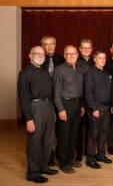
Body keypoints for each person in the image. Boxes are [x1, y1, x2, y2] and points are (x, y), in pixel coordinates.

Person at [18, 46, 58, 184]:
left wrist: (53, 111)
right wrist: (28, 119)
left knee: (47, 140)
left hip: (48, 107)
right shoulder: (25, 73)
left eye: (43, 54)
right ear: (30, 55)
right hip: (34, 108)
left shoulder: (45, 72)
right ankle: (33, 173)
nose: (41, 56)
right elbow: (23, 97)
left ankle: (44, 166)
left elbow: (51, 94)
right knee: (35, 142)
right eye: (37, 53)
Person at [53, 45, 85, 174]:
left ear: (77, 55)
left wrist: (82, 105)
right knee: (64, 135)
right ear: (65, 56)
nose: (71, 56)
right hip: (65, 104)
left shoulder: (79, 69)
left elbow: (81, 89)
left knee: (73, 134)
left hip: (77, 105)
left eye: (74, 54)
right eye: (68, 54)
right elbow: (56, 92)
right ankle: (63, 162)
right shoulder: (59, 70)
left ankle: (70, 159)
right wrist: (60, 109)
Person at [85, 51, 112, 169]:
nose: (102, 60)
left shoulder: (106, 73)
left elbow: (110, 91)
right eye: (100, 58)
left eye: (104, 58)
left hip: (107, 107)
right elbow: (88, 92)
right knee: (93, 133)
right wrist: (93, 108)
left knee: (104, 131)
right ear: (95, 59)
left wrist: (112, 105)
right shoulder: (90, 73)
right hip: (96, 107)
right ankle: (90, 158)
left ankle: (100, 154)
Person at [40, 35, 64, 166]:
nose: (50, 47)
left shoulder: (61, 58)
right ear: (43, 46)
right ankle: (48, 155)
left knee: (61, 129)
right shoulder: (39, 59)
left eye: (52, 44)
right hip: (46, 100)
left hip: (60, 99)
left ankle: (60, 153)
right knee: (46, 131)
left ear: (55, 45)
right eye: (47, 44)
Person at [75, 38, 94, 165]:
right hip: (80, 102)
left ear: (91, 50)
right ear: (80, 49)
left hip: (92, 102)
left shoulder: (96, 62)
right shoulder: (75, 63)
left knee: (91, 128)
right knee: (78, 129)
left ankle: (89, 151)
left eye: (88, 48)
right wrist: (81, 104)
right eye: (84, 47)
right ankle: (78, 155)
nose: (86, 50)